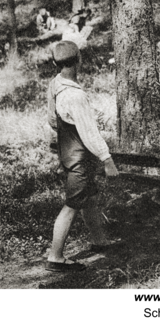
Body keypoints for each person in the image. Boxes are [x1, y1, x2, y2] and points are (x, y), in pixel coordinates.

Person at [46, 41, 119, 272]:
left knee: (90, 199)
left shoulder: (56, 84)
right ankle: (55, 257)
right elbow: (89, 132)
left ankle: (100, 241)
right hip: (79, 157)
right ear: (79, 60)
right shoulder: (75, 96)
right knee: (72, 205)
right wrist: (107, 159)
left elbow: (52, 120)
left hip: (68, 152)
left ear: (55, 63)